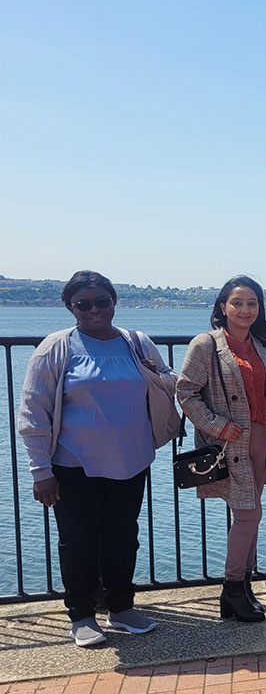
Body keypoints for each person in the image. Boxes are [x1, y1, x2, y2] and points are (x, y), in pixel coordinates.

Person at [18, 270, 173, 646]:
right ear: (70, 307)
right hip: (73, 466)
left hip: (132, 461)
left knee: (123, 538)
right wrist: (41, 471)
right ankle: (82, 615)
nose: (94, 310)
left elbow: (168, 379)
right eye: (82, 304)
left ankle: (121, 608)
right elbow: (32, 412)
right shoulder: (56, 348)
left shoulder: (137, 343)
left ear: (114, 302)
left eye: (101, 302)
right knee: (78, 542)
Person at [177, 275, 266, 622]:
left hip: (260, 439)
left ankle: (243, 588)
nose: (245, 309)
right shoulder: (206, 345)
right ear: (223, 307)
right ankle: (231, 589)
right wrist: (217, 427)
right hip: (228, 442)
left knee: (250, 513)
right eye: (237, 303)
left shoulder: (264, 346)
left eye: (252, 303)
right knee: (248, 515)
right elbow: (186, 392)